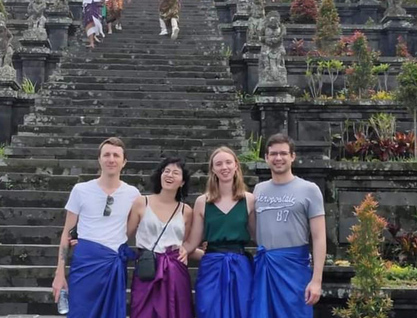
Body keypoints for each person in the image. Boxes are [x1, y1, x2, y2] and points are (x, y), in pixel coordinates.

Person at [52, 137, 140, 318]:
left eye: (116, 155)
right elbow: (66, 233)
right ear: (99, 159)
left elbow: (131, 231)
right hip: (85, 262)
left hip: (114, 262)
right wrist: (60, 273)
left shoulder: (133, 194)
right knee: (81, 313)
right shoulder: (81, 190)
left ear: (124, 162)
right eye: (106, 154)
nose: (111, 159)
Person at [251, 133, 326, 318]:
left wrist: (316, 280)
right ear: (266, 158)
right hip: (265, 266)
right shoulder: (258, 190)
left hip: (294, 268)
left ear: (293, 156)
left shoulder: (310, 190)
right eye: (273, 154)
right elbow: (253, 230)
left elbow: (319, 237)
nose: (278, 158)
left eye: (283, 153)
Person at [183, 147, 255, 318]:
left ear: (236, 165)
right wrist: (171, 250)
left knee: (242, 311)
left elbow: (259, 237)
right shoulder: (202, 202)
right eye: (219, 164)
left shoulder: (249, 200)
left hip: (240, 266)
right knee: (208, 310)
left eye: (228, 162)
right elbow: (192, 242)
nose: (224, 167)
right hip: (212, 266)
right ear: (213, 169)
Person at [126, 157, 196, 318]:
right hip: (148, 268)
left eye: (175, 173)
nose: (169, 175)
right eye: (166, 171)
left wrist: (210, 253)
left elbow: (185, 246)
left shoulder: (186, 211)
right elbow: (124, 235)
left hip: (175, 271)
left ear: (183, 182)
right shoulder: (141, 202)